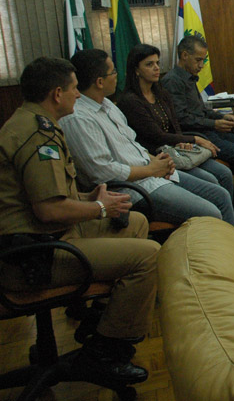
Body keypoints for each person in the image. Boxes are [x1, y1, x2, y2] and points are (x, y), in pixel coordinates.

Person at [0, 57, 158, 383]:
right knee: (148, 256)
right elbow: (49, 210)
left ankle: (101, 319)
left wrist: (90, 199)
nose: (77, 95)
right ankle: (104, 352)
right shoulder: (37, 135)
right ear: (57, 93)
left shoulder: (32, 120)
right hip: (31, 255)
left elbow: (47, 196)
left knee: (136, 222)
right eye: (74, 89)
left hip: (46, 235)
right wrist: (100, 209)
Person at [60, 49, 234, 234]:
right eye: (113, 72)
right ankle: (224, 258)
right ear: (100, 82)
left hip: (151, 171)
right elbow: (102, 172)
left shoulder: (108, 104)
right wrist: (153, 169)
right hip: (134, 189)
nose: (117, 75)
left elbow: (133, 144)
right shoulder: (79, 118)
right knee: (210, 213)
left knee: (219, 194)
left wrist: (158, 162)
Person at [116, 44, 234, 232]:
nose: (156, 68)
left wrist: (185, 140)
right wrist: (190, 140)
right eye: (149, 64)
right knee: (217, 179)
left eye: (157, 63)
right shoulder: (131, 101)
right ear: (136, 70)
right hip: (161, 156)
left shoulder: (159, 91)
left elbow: (176, 123)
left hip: (180, 148)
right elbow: (156, 135)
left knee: (227, 171)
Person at [162, 35, 234, 227]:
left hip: (211, 130)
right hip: (200, 138)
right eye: (198, 60)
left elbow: (200, 110)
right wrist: (214, 124)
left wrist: (221, 117)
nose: (201, 65)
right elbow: (182, 119)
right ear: (184, 55)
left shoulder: (188, 78)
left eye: (203, 60)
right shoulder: (173, 81)